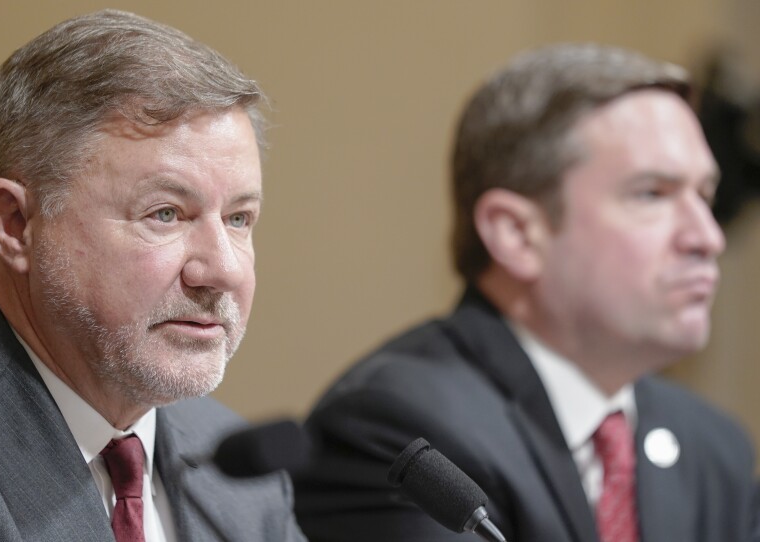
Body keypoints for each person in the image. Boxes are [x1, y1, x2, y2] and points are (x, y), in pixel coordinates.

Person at [293, 43, 757, 542]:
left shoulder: (713, 447)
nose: (707, 237)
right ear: (515, 234)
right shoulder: (400, 432)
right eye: (652, 194)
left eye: (704, 196)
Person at [0, 9, 304, 542]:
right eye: (166, 214)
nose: (222, 269)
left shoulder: (240, 470)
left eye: (239, 218)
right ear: (16, 224)